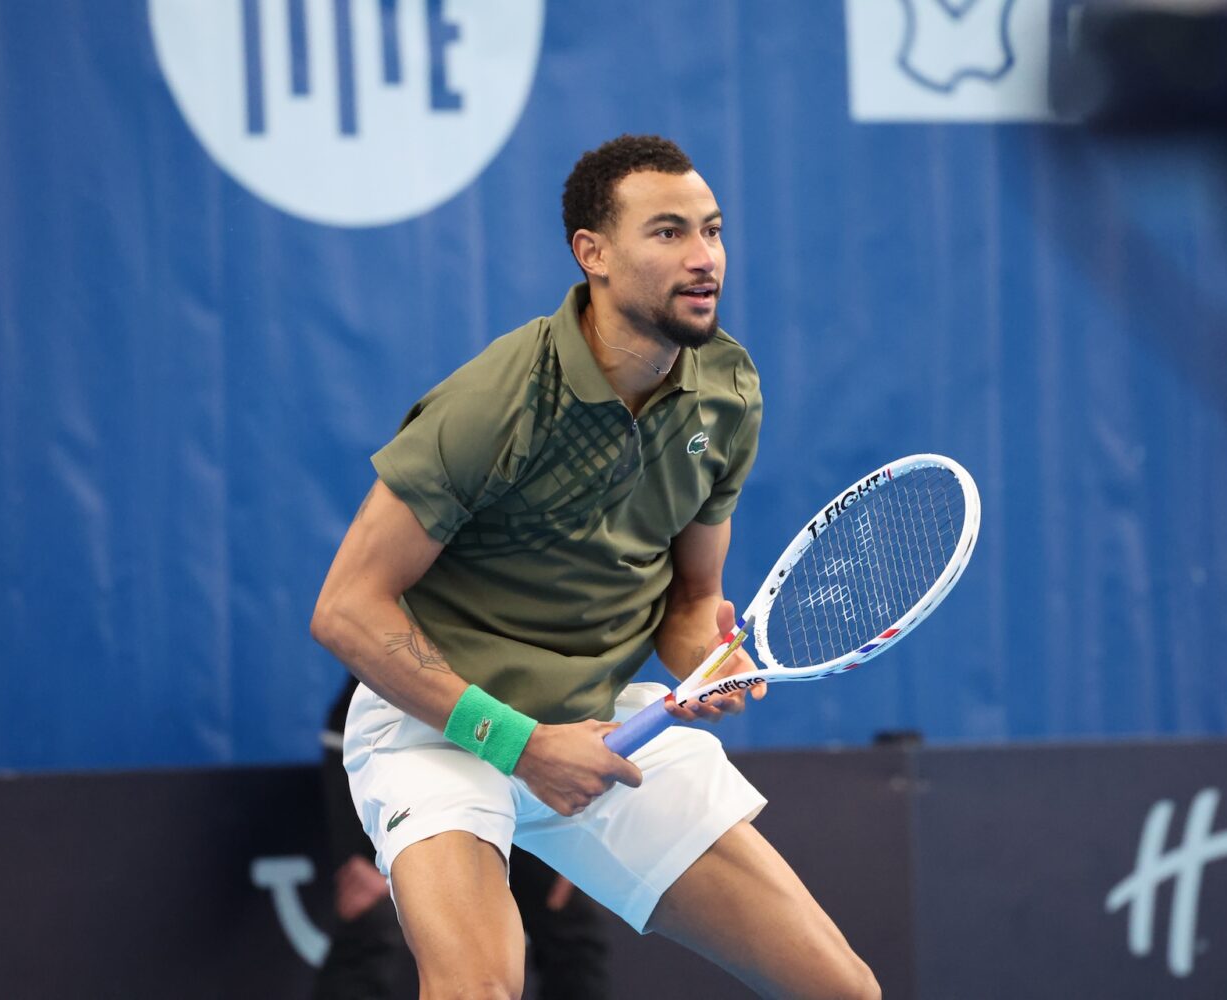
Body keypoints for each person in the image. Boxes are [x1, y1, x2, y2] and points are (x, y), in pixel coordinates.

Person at [310, 134, 880, 1000]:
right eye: (668, 232)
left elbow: (691, 601)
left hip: (600, 730)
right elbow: (347, 609)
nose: (704, 257)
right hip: (441, 726)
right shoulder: (498, 403)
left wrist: (705, 657)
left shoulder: (726, 393)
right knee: (477, 989)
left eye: (713, 230)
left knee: (842, 990)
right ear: (594, 254)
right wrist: (521, 744)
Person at [314, 676, 609, 1000]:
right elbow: (363, 692)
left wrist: (574, 831)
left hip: (517, 768)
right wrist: (361, 849)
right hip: (414, 763)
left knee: (569, 914)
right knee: (372, 914)